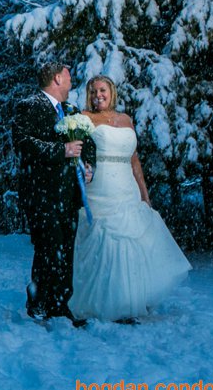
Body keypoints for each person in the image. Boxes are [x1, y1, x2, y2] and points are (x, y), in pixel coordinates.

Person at [68, 75, 192, 323]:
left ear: (111, 92)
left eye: (102, 90)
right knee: (106, 241)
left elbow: (134, 160)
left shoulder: (126, 120)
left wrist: (144, 193)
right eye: (92, 92)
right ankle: (101, 302)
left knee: (132, 242)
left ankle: (129, 300)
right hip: (100, 186)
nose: (97, 96)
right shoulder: (83, 118)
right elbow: (76, 153)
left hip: (126, 185)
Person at [13, 60, 95, 324]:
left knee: (65, 250)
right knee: (48, 249)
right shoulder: (29, 105)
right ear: (57, 78)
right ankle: (39, 303)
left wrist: (89, 164)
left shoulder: (71, 110)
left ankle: (61, 305)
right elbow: (24, 143)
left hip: (68, 195)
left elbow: (87, 142)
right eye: (68, 76)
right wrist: (62, 150)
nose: (72, 82)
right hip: (42, 194)